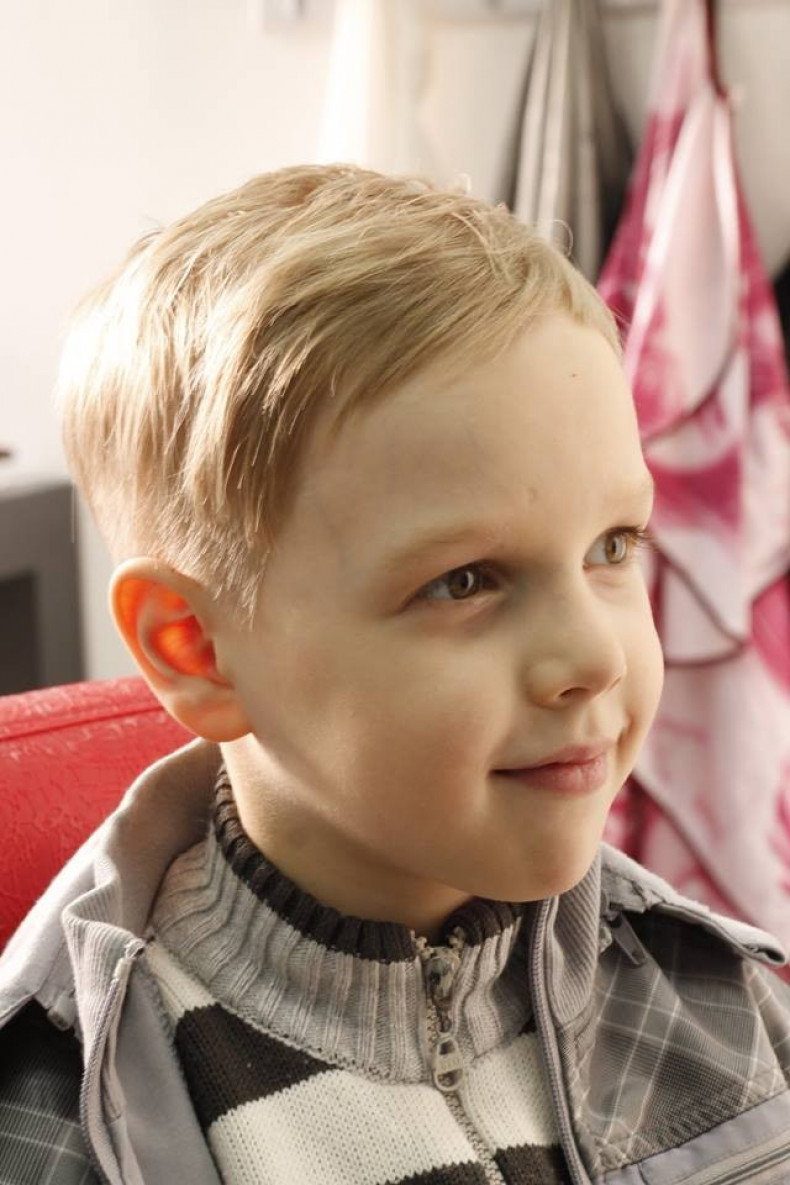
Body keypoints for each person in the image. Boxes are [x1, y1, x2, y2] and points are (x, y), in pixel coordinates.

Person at [1, 165, 789, 1185]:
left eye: (612, 546)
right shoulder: (64, 1124)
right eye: (466, 580)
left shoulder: (721, 1003)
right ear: (195, 647)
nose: (597, 656)